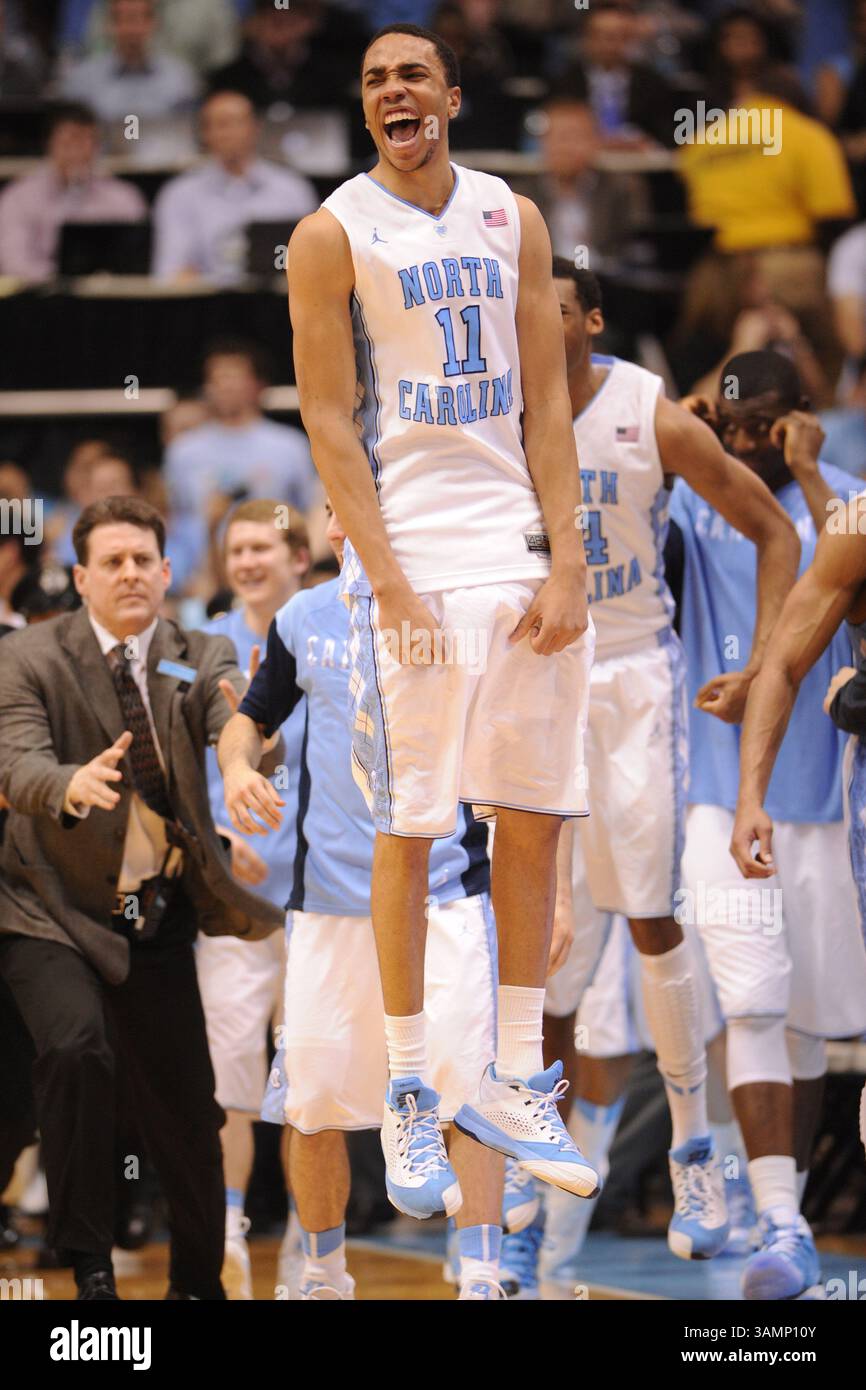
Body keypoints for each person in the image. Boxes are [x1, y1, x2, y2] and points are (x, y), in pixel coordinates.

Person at [288, 21, 600, 1221]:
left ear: (452, 97)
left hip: (516, 549)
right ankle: (412, 1085)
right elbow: (328, 420)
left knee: (529, 815)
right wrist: (389, 583)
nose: (391, 90)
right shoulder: (330, 234)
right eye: (372, 80)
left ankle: (515, 1077)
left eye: (411, 73)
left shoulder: (510, 216)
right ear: (364, 112)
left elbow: (548, 405)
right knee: (413, 826)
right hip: (410, 553)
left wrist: (568, 561)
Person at [534, 264, 799, 1276]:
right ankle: (535, 1155)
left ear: (590, 321)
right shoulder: (496, 414)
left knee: (649, 919)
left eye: (552, 306)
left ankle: (693, 1146)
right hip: (535, 676)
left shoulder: (647, 411)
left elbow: (773, 531)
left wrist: (763, 662)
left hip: (634, 677)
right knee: (542, 942)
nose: (533, 320)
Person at [219, 501, 505, 1301]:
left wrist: (545, 905)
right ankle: (322, 1273)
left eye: (367, 510)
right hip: (328, 906)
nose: (347, 525)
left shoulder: (460, 609)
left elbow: (514, 756)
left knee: (471, 1093)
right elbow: (248, 719)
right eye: (337, 510)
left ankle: (481, 1273)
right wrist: (241, 768)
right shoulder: (301, 617)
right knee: (311, 1104)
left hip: (447, 894)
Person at [0, 496, 284, 1300]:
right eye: (112, 561)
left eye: (143, 560)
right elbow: (14, 763)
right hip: (47, 909)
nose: (130, 573)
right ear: (82, 577)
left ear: (166, 572)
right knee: (77, 1049)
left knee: (190, 1114)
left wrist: (238, 764)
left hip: (152, 913)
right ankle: (89, 1266)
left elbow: (241, 715)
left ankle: (198, 1285)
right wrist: (70, 782)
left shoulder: (195, 652)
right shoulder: (30, 656)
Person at [676, 352, 866, 1301]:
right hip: (721, 788)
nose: (747, 444)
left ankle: (789, 1210)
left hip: (830, 798)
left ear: (803, 418)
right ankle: (779, 1212)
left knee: (820, 1022)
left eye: (768, 428)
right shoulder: (697, 495)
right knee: (751, 1003)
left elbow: (841, 550)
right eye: (737, 428)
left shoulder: (844, 499)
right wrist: (690, 411)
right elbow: (616, 478)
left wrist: (808, 467)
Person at [195, 500, 310, 1299]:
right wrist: (214, 834)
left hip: (317, 892)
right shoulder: (197, 649)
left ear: (298, 556)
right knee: (231, 1072)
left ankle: (313, 1233)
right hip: (230, 895)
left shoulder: (331, 632)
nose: (247, 560)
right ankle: (230, 1230)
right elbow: (179, 762)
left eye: (262, 545)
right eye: (236, 548)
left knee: (310, 1069)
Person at [161, 338, 318, 585]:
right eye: (218, 379)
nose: (226, 386)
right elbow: (173, 521)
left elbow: (313, 513)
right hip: (204, 582)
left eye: (234, 377)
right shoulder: (183, 451)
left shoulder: (291, 446)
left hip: (277, 576)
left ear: (258, 385)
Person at [151, 88, 317, 286]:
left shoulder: (293, 190)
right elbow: (171, 274)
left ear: (256, 127)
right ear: (205, 134)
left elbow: (314, 269)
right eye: (219, 125)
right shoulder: (179, 195)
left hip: (279, 309)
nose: (228, 133)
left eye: (236, 122)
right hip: (204, 311)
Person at [0, 102, 146, 282]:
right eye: (70, 141)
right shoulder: (18, 197)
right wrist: (64, 280)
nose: (78, 151)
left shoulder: (124, 196)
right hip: (41, 299)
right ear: (49, 144)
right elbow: (14, 263)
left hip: (110, 298)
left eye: (88, 141)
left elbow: (137, 259)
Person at [509, 95, 649, 270]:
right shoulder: (518, 195)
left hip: (608, 282)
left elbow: (636, 248)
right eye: (558, 137)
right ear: (542, 143)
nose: (565, 147)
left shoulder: (623, 188)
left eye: (575, 137)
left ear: (595, 142)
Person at [60, 0, 200, 125]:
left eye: (138, 19)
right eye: (124, 19)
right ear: (109, 25)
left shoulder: (180, 78)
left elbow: (187, 135)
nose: (132, 29)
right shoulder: (82, 81)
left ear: (153, 23)